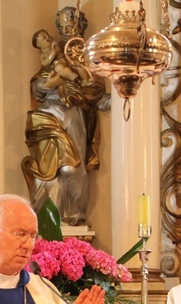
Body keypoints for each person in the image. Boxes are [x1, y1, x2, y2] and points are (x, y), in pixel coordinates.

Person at [21, 8, 110, 227]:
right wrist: (48, 84)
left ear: (81, 26)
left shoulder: (89, 55)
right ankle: (45, 223)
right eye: (62, 26)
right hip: (47, 114)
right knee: (46, 176)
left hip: (73, 114)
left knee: (72, 169)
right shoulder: (52, 53)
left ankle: (74, 220)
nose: (66, 29)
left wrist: (83, 80)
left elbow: (96, 91)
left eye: (71, 24)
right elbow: (37, 86)